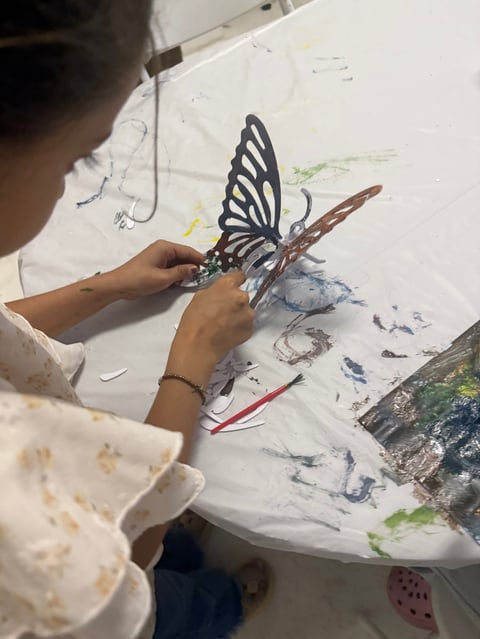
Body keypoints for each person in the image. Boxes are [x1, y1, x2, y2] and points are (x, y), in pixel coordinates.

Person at [0, 2, 270, 638]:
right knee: (169, 602)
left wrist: (105, 288)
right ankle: (222, 606)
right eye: (78, 160)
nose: (69, 186)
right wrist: (191, 361)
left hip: (80, 519)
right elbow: (126, 548)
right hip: (84, 602)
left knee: (171, 533)